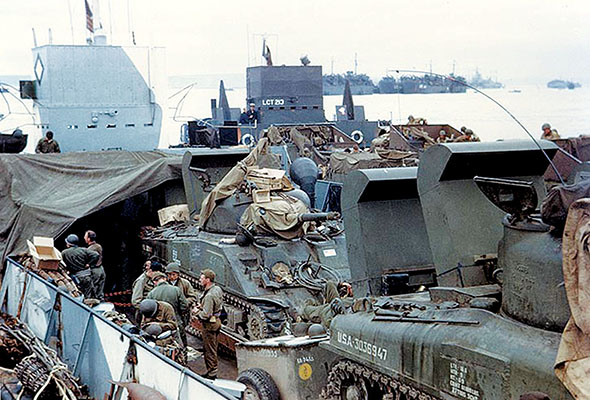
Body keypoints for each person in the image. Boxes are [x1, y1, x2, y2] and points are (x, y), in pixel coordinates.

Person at [195, 269, 223, 379]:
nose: (200, 280)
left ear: (208, 280)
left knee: (209, 350)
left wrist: (197, 312)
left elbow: (205, 315)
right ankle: (212, 370)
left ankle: (212, 373)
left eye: (202, 278)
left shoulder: (209, 296)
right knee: (213, 347)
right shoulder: (217, 289)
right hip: (216, 321)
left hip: (209, 325)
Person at [147, 271, 188, 345]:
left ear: (154, 282)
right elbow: (185, 306)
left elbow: (149, 310)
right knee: (181, 345)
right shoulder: (176, 290)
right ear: (164, 279)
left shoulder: (151, 294)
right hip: (176, 322)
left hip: (160, 325)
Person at [165, 262, 198, 345]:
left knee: (181, 332)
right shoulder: (165, 283)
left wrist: (184, 303)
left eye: (174, 274)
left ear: (178, 274)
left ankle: (183, 348)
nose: (171, 277)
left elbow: (192, 296)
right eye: (169, 274)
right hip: (168, 311)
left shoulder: (185, 284)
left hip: (181, 312)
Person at [61, 234, 99, 299]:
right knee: (89, 297)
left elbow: (62, 263)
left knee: (78, 297)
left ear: (68, 244)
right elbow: (96, 255)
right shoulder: (83, 250)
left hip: (75, 279)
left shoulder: (64, 253)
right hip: (86, 277)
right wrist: (89, 264)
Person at [84, 230, 106, 301]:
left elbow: (93, 257)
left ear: (89, 239)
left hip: (95, 270)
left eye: (85, 236)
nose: (84, 238)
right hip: (101, 269)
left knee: (94, 287)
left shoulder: (91, 248)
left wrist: (88, 264)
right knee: (100, 288)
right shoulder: (98, 246)